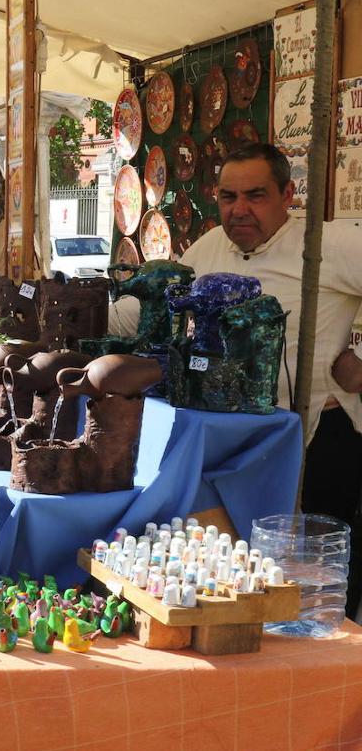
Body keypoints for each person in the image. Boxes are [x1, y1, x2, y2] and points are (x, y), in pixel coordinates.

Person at [110, 143, 362, 616]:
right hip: (225, 443)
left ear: (288, 195)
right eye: (228, 197)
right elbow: (141, 309)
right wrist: (74, 310)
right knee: (240, 571)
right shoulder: (210, 247)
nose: (239, 209)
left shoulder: (329, 245)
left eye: (256, 195)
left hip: (311, 440)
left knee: (315, 589)